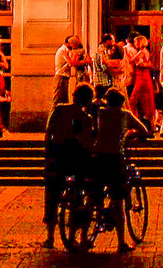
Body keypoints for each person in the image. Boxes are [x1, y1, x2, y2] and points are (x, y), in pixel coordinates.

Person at [91, 89, 150, 253]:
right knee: (118, 200)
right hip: (115, 158)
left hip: (98, 157)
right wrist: (130, 135)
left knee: (94, 193)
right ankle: (121, 242)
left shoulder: (100, 113)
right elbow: (144, 131)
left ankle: (86, 236)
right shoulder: (126, 115)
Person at [43, 83, 96, 248]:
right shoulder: (86, 118)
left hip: (57, 159)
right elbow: (88, 142)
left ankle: (50, 237)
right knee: (80, 196)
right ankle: (77, 235)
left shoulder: (59, 110)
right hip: (76, 162)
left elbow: (49, 131)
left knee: (51, 196)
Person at [128, 34, 156, 128]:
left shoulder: (142, 51)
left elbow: (132, 60)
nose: (134, 44)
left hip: (142, 77)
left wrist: (127, 54)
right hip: (143, 76)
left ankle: (134, 121)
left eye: (136, 42)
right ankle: (147, 122)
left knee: (133, 100)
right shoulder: (145, 51)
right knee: (145, 100)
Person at [53, 35, 86, 107]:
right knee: (57, 99)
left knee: (64, 100)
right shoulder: (63, 50)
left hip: (64, 77)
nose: (74, 48)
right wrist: (83, 61)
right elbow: (71, 63)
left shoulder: (67, 50)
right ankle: (53, 116)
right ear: (69, 43)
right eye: (74, 45)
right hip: (61, 76)